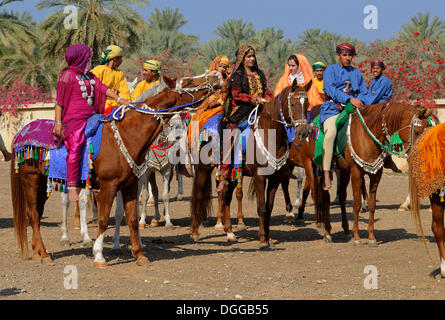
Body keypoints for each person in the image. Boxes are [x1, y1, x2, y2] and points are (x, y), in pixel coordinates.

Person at [53, 44, 131, 202]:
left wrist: (120, 99)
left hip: (92, 116)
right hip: (73, 120)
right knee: (77, 143)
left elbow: (103, 88)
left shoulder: (89, 76)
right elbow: (59, 103)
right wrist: (58, 123)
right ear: (79, 58)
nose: (89, 61)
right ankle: (73, 185)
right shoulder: (67, 76)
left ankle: (95, 176)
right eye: (87, 58)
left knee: (106, 137)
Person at [216, 45, 273, 192]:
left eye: (253, 56)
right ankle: (224, 175)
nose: (252, 59)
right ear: (242, 59)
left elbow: (264, 91)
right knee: (231, 136)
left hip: (258, 110)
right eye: (249, 56)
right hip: (240, 112)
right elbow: (236, 94)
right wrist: (253, 99)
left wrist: (270, 98)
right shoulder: (238, 76)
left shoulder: (259, 73)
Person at [320, 43, 367, 190]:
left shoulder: (357, 72)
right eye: (344, 55)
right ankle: (327, 171)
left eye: (350, 55)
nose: (348, 58)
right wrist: (348, 99)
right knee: (330, 134)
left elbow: (363, 92)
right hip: (333, 109)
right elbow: (331, 90)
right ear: (338, 55)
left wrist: (359, 101)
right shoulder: (330, 70)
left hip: (353, 109)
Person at [91, 45, 131, 115]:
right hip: (99, 106)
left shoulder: (119, 73)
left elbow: (124, 91)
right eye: (120, 58)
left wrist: (122, 102)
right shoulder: (98, 70)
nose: (121, 61)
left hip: (116, 106)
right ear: (115, 59)